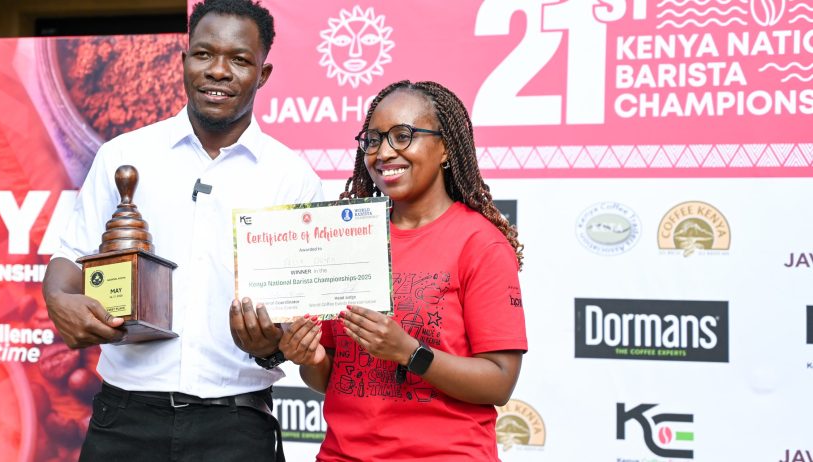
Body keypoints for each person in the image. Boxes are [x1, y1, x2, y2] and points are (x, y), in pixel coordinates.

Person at [41, 0, 323, 460]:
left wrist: (272, 346)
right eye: (204, 54)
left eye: (239, 59)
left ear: (263, 74)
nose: (218, 71)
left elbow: (300, 316)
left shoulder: (292, 179)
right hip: (125, 420)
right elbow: (71, 257)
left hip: (236, 427)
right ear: (184, 60)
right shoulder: (123, 155)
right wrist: (58, 299)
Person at [279, 80, 527, 461]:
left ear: (445, 148)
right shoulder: (348, 239)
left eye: (402, 136)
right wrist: (310, 359)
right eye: (373, 140)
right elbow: (327, 378)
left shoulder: (479, 243)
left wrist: (410, 352)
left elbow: (500, 381)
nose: (383, 153)